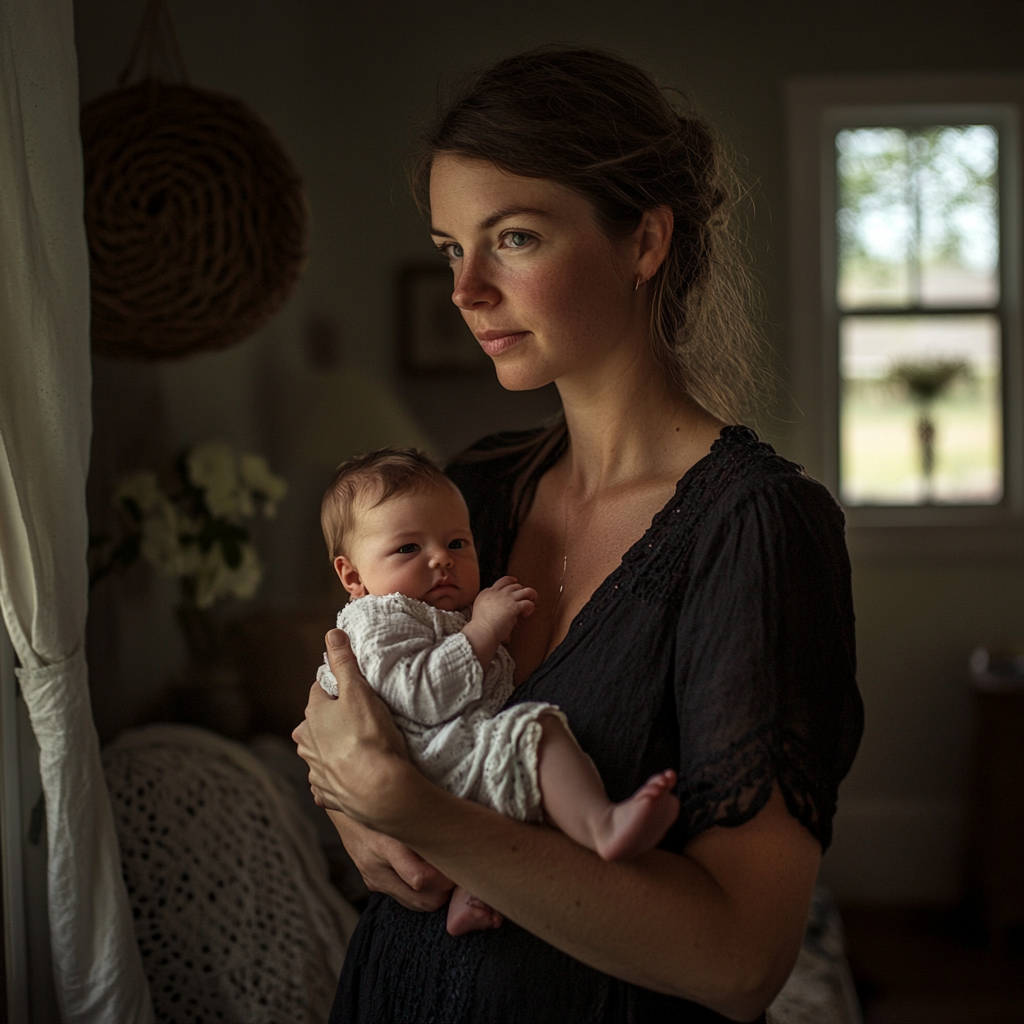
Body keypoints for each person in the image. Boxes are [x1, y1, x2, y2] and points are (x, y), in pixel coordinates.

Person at [292, 47, 863, 1023]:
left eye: (511, 238)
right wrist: (352, 809)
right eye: (448, 248)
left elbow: (738, 960)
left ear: (644, 241)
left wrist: (412, 809)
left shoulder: (756, 531)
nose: (465, 288)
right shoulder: (464, 494)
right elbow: (343, 717)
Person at [316, 446, 680, 937]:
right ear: (352, 576)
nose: (441, 559)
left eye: (458, 543)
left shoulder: (438, 615)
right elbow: (415, 694)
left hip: (439, 772)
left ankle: (471, 891)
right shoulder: (378, 619)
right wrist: (482, 630)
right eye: (408, 549)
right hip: (427, 760)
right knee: (535, 729)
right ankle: (602, 825)